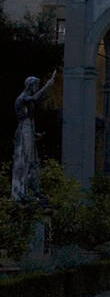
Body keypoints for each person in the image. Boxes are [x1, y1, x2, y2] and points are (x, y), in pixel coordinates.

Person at [11, 72, 57, 202]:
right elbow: (35, 99)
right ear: (30, 85)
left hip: (29, 130)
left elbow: (30, 120)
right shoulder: (23, 98)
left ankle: (34, 190)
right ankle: (22, 192)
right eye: (36, 85)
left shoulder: (28, 100)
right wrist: (47, 86)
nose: (37, 87)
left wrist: (35, 133)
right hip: (24, 132)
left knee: (33, 162)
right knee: (25, 160)